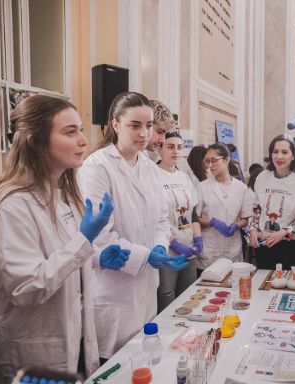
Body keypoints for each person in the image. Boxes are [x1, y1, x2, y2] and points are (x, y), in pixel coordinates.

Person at [0, 95, 130, 382]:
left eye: (80, 130)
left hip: (74, 338)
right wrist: (84, 239)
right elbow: (27, 287)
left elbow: (61, 260)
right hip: (34, 351)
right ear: (34, 140)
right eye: (70, 132)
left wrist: (96, 259)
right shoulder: (12, 205)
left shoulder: (65, 196)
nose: (83, 140)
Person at [78, 92, 189, 361]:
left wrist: (160, 247)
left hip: (145, 288)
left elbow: (162, 219)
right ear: (115, 125)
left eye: (149, 125)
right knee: (116, 365)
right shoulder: (97, 166)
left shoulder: (150, 168)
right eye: (135, 125)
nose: (144, 133)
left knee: (146, 359)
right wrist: (145, 255)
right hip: (113, 290)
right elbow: (100, 234)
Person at [249, 135, 295, 271]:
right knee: (264, 286)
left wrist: (284, 232)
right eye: (275, 152)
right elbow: (257, 208)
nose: (279, 156)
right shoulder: (262, 177)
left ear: (293, 156)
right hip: (264, 244)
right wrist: (252, 229)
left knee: (287, 286)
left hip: (291, 246)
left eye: (284, 152)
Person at [156, 131, 202, 311]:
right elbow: (153, 219)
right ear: (159, 149)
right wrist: (173, 243)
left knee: (188, 295)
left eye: (179, 147)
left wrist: (198, 238)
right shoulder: (153, 175)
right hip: (167, 250)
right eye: (170, 146)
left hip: (188, 248)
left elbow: (193, 214)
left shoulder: (183, 177)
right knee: (167, 295)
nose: (176, 151)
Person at [196, 143, 254, 275]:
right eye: (207, 161)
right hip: (209, 251)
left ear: (227, 159)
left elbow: (245, 218)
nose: (210, 165)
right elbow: (195, 218)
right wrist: (212, 221)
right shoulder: (202, 187)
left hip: (232, 249)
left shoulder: (241, 188)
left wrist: (236, 225)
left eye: (214, 160)